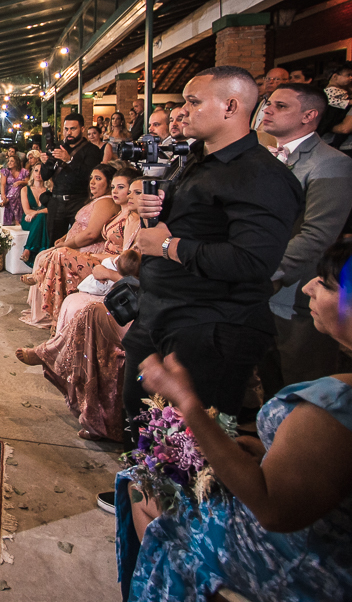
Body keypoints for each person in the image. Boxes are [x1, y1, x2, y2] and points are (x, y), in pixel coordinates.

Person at [115, 237, 352, 602]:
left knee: (141, 490)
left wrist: (187, 402)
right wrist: (260, 447)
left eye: (325, 283)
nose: (307, 286)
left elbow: (272, 508)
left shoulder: (336, 406)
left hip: (300, 563)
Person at [125, 65, 302, 445]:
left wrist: (169, 247)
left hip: (209, 325)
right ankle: (140, 500)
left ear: (231, 106)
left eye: (193, 102)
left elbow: (253, 261)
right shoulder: (195, 160)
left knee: (187, 445)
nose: (182, 112)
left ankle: (169, 505)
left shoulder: (260, 175)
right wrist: (151, 206)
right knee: (145, 424)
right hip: (161, 312)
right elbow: (190, 221)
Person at [258, 83, 352, 395]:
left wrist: (264, 272)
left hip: (296, 290)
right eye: (269, 103)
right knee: (268, 380)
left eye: (281, 106)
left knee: (301, 383)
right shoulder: (264, 157)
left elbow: (318, 235)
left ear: (309, 115)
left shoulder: (331, 161)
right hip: (258, 289)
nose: (268, 109)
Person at [17, 246, 142, 442]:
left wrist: (111, 274)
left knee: (93, 313)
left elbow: (149, 287)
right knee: (92, 310)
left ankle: (48, 353)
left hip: (148, 318)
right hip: (135, 304)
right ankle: (50, 352)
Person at [20, 163, 125, 328]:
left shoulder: (106, 202)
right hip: (76, 244)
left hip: (88, 249)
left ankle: (53, 313)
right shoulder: (96, 200)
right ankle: (45, 308)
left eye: (98, 179)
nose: (92, 182)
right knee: (45, 254)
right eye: (91, 178)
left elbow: (91, 234)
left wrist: (66, 244)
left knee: (55, 254)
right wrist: (64, 237)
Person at [40, 113, 104, 240]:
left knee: (78, 240)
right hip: (57, 201)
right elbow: (45, 176)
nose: (69, 132)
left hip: (79, 201)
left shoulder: (92, 150)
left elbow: (88, 176)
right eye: (66, 129)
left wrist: (69, 160)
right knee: (54, 242)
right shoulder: (58, 146)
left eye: (73, 129)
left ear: (82, 129)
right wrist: (45, 163)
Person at [19, 170, 52, 265]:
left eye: (42, 171)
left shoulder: (49, 189)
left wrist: (37, 212)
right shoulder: (25, 189)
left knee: (42, 217)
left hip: (43, 219)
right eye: (36, 171)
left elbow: (51, 209)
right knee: (42, 217)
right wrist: (36, 213)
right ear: (32, 172)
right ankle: (41, 255)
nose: (39, 173)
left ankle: (28, 248)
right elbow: (27, 210)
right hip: (28, 220)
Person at [252, 66, 289, 130]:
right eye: (268, 79)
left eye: (276, 79)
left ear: (286, 81)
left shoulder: (286, 103)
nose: (270, 82)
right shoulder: (262, 101)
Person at [0, 154, 29, 226]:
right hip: (10, 193)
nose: (9, 162)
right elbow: (3, 184)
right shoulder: (5, 171)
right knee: (14, 190)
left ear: (17, 162)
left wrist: (20, 182)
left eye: (12, 161)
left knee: (17, 187)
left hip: (21, 194)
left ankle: (7, 201)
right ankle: (17, 221)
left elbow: (28, 182)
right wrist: (3, 195)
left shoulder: (24, 171)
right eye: (8, 161)